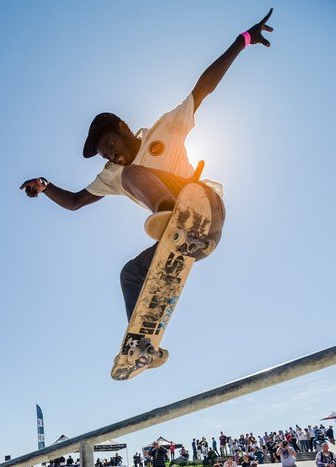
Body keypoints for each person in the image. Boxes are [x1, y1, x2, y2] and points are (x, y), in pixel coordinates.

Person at [20, 12, 274, 355]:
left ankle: (173, 216)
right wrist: (47, 185)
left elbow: (205, 86)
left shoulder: (165, 128)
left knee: (132, 175)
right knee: (130, 274)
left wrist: (243, 40)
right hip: (195, 241)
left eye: (111, 146)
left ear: (124, 130)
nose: (113, 159)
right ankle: (142, 347)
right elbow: (77, 201)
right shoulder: (112, 174)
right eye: (105, 156)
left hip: (206, 207)